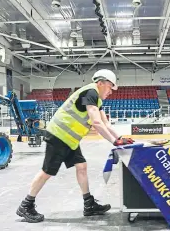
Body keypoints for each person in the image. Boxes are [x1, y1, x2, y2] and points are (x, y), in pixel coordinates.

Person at [16, 69, 134, 222]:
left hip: (69, 139)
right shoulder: (90, 93)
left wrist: (120, 138)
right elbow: (97, 123)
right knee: (47, 171)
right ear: (100, 83)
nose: (111, 91)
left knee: (81, 166)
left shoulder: (96, 100)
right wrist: (113, 142)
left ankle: (88, 204)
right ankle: (26, 205)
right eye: (110, 87)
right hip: (58, 135)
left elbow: (105, 123)